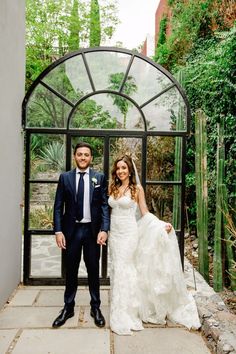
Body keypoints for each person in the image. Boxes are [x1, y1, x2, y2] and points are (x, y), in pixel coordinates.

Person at [108, 154, 201, 335]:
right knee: (116, 270)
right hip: (115, 235)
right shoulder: (113, 187)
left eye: (124, 168)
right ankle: (119, 307)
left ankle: (126, 313)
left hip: (129, 234)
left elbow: (145, 212)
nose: (120, 171)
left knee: (125, 269)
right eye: (118, 168)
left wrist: (160, 225)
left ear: (129, 170)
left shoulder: (137, 190)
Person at [52, 141, 110, 328]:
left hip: (92, 231)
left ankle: (96, 307)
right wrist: (58, 230)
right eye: (80, 154)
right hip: (72, 231)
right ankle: (68, 307)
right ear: (75, 156)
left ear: (91, 158)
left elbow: (104, 206)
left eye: (86, 154)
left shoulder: (99, 178)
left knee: (93, 270)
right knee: (71, 270)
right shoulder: (65, 178)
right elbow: (58, 206)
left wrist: (104, 229)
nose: (83, 157)